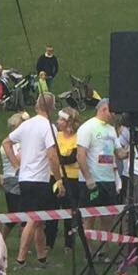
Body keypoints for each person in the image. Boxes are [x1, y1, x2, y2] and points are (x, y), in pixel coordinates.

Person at [2, 93, 64, 269]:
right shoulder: (48, 127)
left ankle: (42, 256)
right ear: (52, 108)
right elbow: (52, 155)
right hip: (39, 179)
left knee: (38, 220)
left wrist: (16, 165)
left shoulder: (27, 124)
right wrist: (59, 179)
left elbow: (6, 142)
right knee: (33, 218)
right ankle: (20, 259)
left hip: (25, 178)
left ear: (37, 106)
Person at [76, 98, 126, 210]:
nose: (114, 115)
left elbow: (119, 153)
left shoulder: (111, 129)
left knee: (108, 215)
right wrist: (88, 178)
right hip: (93, 181)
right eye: (112, 112)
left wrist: (130, 151)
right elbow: (80, 155)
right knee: (89, 216)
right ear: (104, 109)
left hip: (109, 180)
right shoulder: (87, 127)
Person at [55, 106, 79, 249]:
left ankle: (69, 244)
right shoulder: (56, 136)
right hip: (56, 175)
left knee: (69, 211)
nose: (58, 122)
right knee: (52, 208)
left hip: (72, 177)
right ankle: (49, 242)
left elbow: (71, 158)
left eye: (62, 120)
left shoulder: (77, 138)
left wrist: (56, 158)